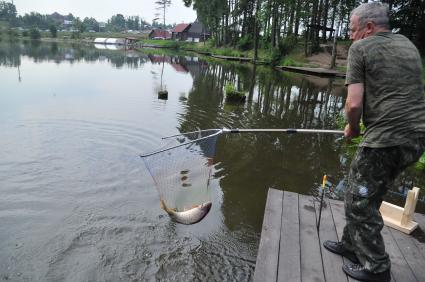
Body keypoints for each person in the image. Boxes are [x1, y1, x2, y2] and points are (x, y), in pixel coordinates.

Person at [323, 2, 425, 282]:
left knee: (358, 201)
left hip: (387, 139)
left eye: (353, 30)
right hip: (416, 138)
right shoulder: (406, 44)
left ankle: (377, 268)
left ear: (368, 27)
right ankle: (352, 245)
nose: (351, 36)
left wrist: (352, 127)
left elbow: (353, 103)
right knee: (365, 193)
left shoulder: (362, 48)